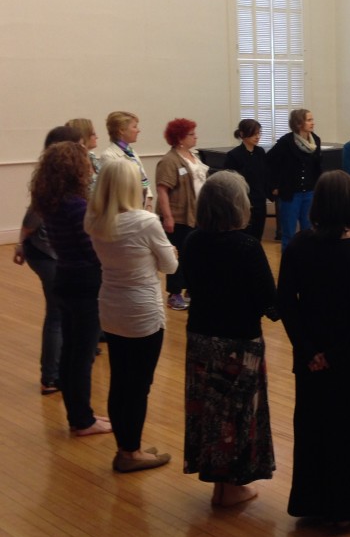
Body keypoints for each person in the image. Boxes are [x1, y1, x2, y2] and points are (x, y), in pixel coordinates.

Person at [278, 171, 350, 523]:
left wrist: (310, 351)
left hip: (311, 358)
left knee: (314, 427)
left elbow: (286, 304)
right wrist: (336, 355)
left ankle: (313, 501)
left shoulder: (298, 246)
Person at [181, 171, 277, 506]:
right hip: (239, 343)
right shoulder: (247, 246)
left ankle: (218, 483)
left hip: (202, 338)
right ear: (238, 205)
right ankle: (232, 485)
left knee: (209, 411)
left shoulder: (193, 240)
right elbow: (268, 300)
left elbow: (188, 283)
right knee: (237, 413)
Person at [85, 160, 177, 473]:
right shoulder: (144, 221)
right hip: (141, 312)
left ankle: (125, 446)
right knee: (139, 386)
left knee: (121, 381)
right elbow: (170, 267)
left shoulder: (95, 218)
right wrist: (170, 254)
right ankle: (131, 452)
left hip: (110, 306)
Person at [30, 141, 109, 436]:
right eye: (86, 164)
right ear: (74, 170)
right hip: (84, 283)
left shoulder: (52, 201)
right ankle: (83, 419)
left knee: (72, 352)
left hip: (65, 278)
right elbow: (91, 251)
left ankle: (79, 415)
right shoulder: (77, 207)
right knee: (83, 354)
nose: (90, 169)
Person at [14, 126, 80, 395]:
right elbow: (33, 217)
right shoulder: (56, 181)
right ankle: (51, 377)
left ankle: (56, 373)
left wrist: (20, 243)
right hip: (46, 253)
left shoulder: (49, 176)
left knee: (60, 313)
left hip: (44, 251)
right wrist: (21, 242)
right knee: (56, 314)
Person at [156, 118, 208, 312]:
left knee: (194, 254)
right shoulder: (169, 160)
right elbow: (162, 190)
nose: (195, 137)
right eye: (191, 134)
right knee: (178, 255)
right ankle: (174, 293)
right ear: (179, 138)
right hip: (178, 216)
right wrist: (168, 217)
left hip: (196, 215)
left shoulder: (192, 156)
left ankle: (192, 289)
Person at [268, 108, 321, 249]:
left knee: (309, 231)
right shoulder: (286, 142)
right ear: (298, 123)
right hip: (290, 194)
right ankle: (288, 264)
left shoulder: (315, 140)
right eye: (309, 120)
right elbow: (269, 162)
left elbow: (317, 167)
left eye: (312, 119)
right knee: (289, 234)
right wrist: (274, 185)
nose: (312, 123)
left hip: (309, 192)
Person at [224, 119, 269, 241]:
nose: (257, 137)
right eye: (254, 134)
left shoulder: (260, 152)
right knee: (243, 235)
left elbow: (264, 176)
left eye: (259, 133)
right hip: (243, 202)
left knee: (257, 235)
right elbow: (231, 182)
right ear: (242, 135)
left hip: (259, 201)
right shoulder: (233, 155)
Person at [99, 111, 152, 210]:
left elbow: (143, 178)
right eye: (134, 127)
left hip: (140, 206)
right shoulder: (108, 156)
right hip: (124, 210)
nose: (138, 130)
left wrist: (148, 200)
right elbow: (114, 190)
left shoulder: (131, 152)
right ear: (122, 130)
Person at [66, 118, 101, 190]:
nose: (97, 137)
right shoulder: (73, 162)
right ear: (83, 136)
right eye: (93, 134)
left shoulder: (92, 156)